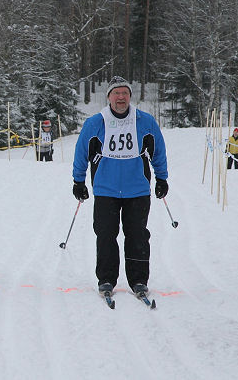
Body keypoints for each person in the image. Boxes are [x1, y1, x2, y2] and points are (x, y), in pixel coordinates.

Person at [72, 76, 168, 297]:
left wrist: (161, 178)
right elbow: (81, 153)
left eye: (125, 93)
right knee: (106, 235)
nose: (121, 97)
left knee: (137, 236)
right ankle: (106, 280)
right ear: (109, 97)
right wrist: (78, 181)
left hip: (138, 189)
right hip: (106, 189)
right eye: (116, 93)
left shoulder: (145, 121)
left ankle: (139, 281)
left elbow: (158, 151)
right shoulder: (95, 123)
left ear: (130, 96)